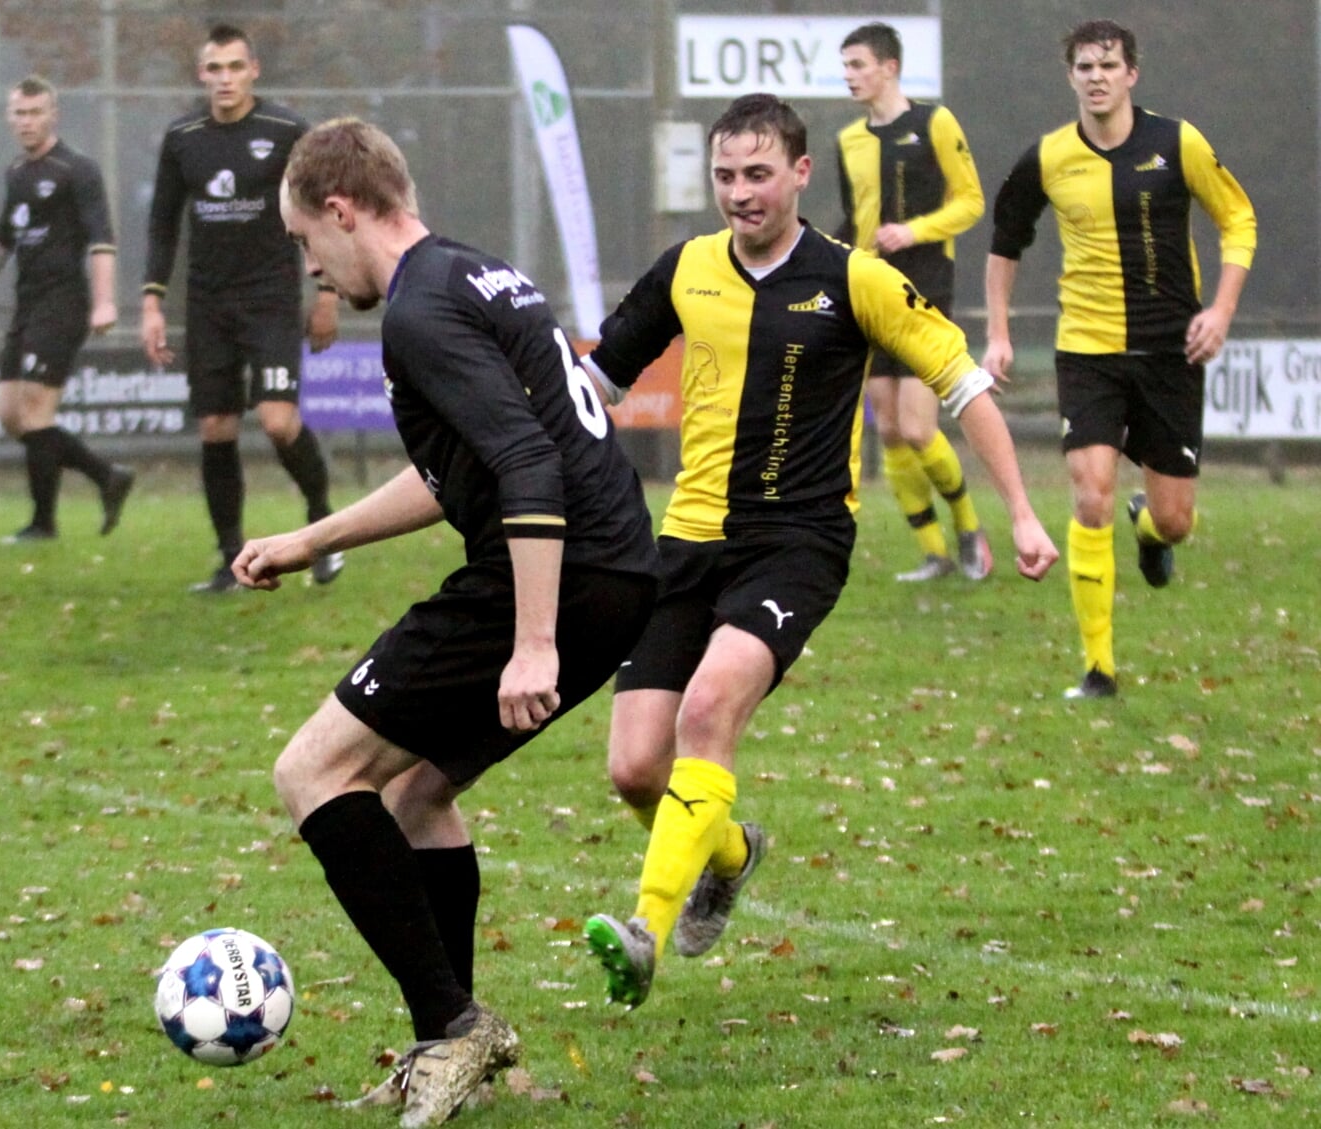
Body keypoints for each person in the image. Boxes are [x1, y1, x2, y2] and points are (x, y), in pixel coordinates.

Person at [576, 94, 1058, 1009]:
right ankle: (727, 851)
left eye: (757, 174)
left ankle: (644, 928)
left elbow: (962, 387)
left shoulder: (856, 278)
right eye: (724, 176)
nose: (738, 194)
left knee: (708, 709)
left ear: (800, 174)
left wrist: (1024, 514)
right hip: (686, 539)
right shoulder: (685, 268)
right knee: (634, 768)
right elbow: (595, 380)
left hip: (795, 544)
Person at [240, 118, 657, 1124]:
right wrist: (310, 539)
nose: (314, 272)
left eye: (306, 244)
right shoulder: (472, 274)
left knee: (312, 771)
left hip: (550, 575)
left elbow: (523, 466)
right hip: (616, 573)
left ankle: (453, 1026)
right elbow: (455, 468)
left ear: (342, 211)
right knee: (418, 793)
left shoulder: (415, 313)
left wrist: (530, 640)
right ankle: (449, 1042)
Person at [984, 20, 1255, 701]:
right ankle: (1097, 668)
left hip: (1170, 350)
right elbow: (1004, 240)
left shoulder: (1176, 142)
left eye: (1108, 64)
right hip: (1087, 349)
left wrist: (1218, 310)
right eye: (1083, 66)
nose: (1096, 76)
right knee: (1088, 490)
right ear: (1070, 76)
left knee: (1174, 521)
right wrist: (998, 330)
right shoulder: (1046, 157)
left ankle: (1149, 524)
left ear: (1131, 74)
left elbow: (1237, 220)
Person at [141, 23, 343, 594]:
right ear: (202, 74)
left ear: (253, 70)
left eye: (235, 67)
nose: (224, 79)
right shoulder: (183, 137)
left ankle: (321, 525)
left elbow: (323, 210)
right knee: (215, 426)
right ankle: (231, 558)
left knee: (278, 422)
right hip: (206, 303)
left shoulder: (285, 131)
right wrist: (152, 302)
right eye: (214, 68)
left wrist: (327, 293)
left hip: (271, 300)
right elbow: (161, 225)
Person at [836, 22, 991, 582]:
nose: (848, 75)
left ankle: (972, 529)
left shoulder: (934, 122)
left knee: (921, 428)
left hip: (926, 287)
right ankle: (935, 552)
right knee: (892, 430)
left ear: (889, 67)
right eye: (845, 66)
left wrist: (916, 231)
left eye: (857, 65)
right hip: (872, 294)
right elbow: (854, 221)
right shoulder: (849, 141)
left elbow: (971, 203)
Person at [0, 75, 133, 543]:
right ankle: (106, 476)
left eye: (36, 113)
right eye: (19, 113)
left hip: (64, 304)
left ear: (53, 115)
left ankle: (43, 523)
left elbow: (102, 238)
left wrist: (104, 302)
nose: (27, 122)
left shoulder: (78, 169)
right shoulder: (17, 172)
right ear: (9, 117)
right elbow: (1, 237)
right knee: (11, 415)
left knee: (35, 412)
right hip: (27, 305)